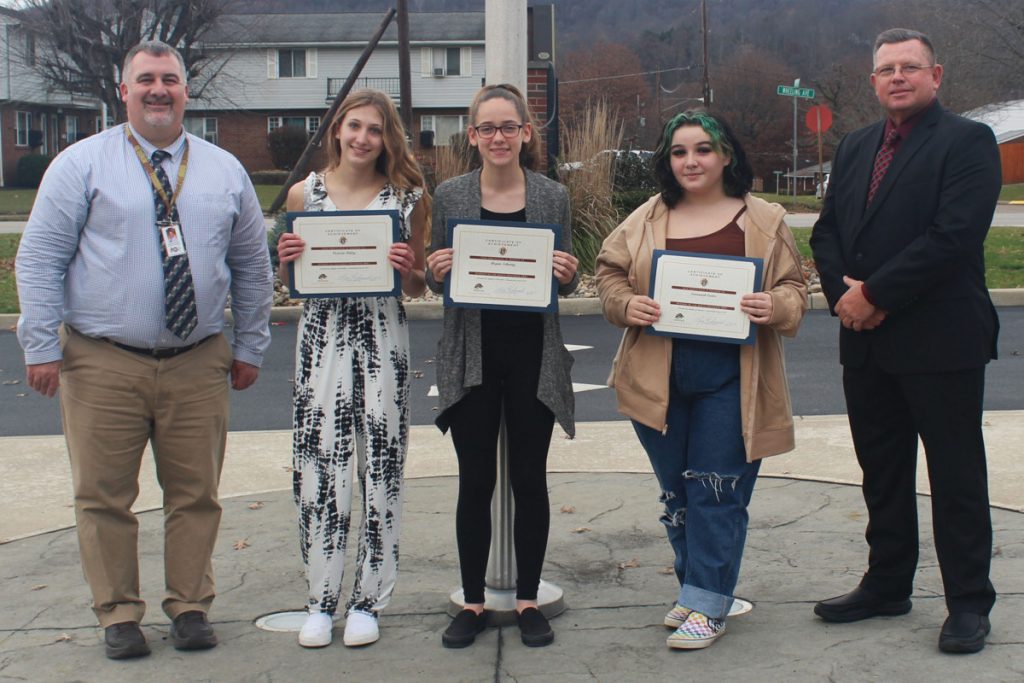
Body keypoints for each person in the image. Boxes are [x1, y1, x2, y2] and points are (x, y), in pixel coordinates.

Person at [14, 40, 273, 659]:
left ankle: (189, 606)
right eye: (147, 80)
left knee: (195, 494)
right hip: (102, 361)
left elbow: (252, 266)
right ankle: (118, 614)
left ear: (187, 91)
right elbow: (41, 258)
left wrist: (251, 345)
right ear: (123, 89)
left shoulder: (222, 169)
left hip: (198, 359)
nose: (160, 90)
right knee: (103, 496)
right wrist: (39, 344)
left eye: (171, 80)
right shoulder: (81, 165)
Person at [809, 28, 1001, 654]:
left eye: (909, 67)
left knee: (956, 477)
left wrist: (874, 295)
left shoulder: (969, 142)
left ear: (936, 75)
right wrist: (844, 294)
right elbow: (828, 230)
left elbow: (954, 237)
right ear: (873, 81)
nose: (897, 77)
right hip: (866, 344)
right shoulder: (857, 146)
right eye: (886, 68)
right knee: (882, 473)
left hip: (940, 342)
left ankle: (969, 602)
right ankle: (887, 584)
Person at [596, 110, 807, 650]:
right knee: (679, 494)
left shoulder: (763, 219)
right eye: (679, 151)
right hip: (657, 375)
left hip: (732, 377)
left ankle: (708, 603)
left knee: (718, 489)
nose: (691, 161)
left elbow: (795, 288)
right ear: (668, 161)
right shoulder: (647, 217)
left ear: (726, 155)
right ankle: (700, 589)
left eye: (703, 149)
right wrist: (626, 303)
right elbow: (608, 271)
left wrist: (774, 303)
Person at [425, 83, 579, 649]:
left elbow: (564, 277)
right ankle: (471, 601)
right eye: (486, 128)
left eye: (507, 127)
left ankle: (528, 599)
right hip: (472, 353)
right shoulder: (450, 195)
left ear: (525, 133)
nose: (497, 137)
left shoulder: (551, 196)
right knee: (476, 480)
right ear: (472, 136)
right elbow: (436, 276)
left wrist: (569, 272)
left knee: (528, 479)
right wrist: (435, 269)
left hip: (533, 354)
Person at [276, 89, 428, 649]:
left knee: (381, 462)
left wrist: (409, 267)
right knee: (321, 463)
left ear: (389, 139)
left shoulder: (407, 197)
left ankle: (368, 597)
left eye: (376, 130)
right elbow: (294, 282)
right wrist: (287, 262)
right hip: (322, 339)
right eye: (354, 126)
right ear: (337, 130)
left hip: (382, 336)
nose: (363, 138)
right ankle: (320, 598)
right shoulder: (304, 193)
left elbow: (416, 285)